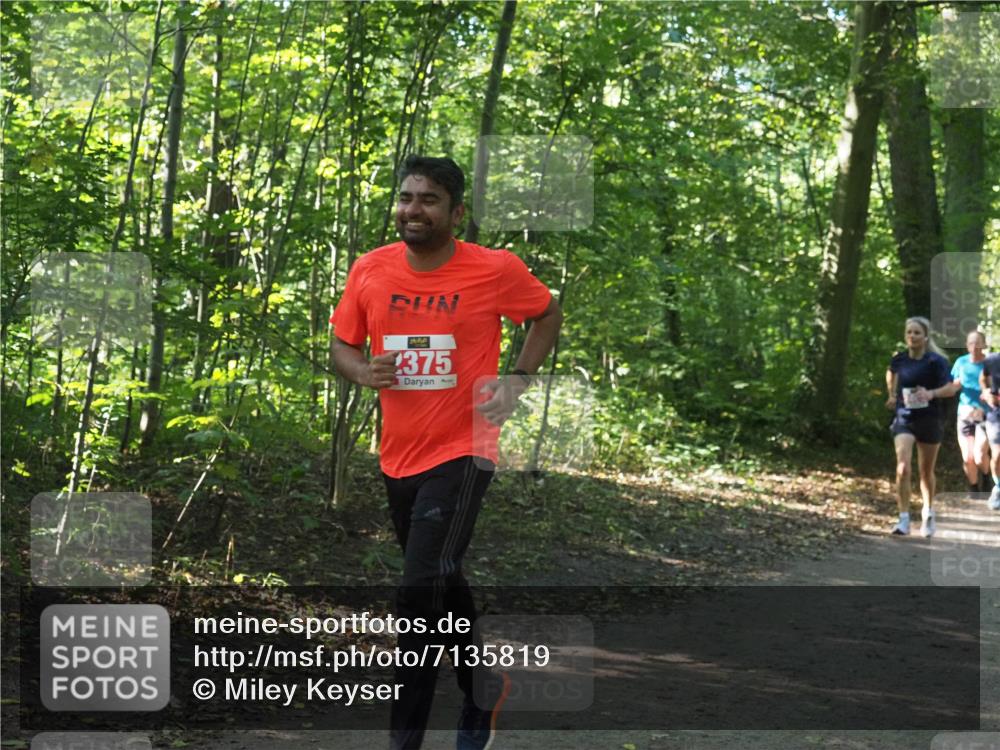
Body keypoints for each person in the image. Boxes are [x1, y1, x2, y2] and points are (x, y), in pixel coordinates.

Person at [330, 155, 562, 750]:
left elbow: (545, 313)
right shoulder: (371, 270)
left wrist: (518, 379)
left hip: (465, 449)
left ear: (456, 212)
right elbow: (342, 344)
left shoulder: (494, 270)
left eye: (429, 200)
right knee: (439, 578)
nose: (413, 210)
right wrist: (362, 371)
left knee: (416, 595)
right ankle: (483, 686)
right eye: (407, 198)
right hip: (398, 455)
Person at [884, 317, 957, 537]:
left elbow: (951, 388)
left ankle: (927, 513)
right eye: (909, 332)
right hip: (904, 418)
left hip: (930, 418)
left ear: (925, 337)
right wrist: (891, 394)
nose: (912, 336)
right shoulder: (899, 359)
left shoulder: (936, 361)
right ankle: (904, 519)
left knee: (925, 472)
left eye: (917, 333)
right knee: (903, 467)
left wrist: (931, 393)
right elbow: (890, 372)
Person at [950, 330, 992, 493]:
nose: (974, 346)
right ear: (967, 346)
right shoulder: (961, 362)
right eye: (970, 343)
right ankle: (974, 489)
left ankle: (987, 476)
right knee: (968, 457)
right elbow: (955, 384)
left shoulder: (990, 364)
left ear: (983, 344)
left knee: (980, 455)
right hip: (965, 415)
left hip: (986, 415)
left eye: (977, 342)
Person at [980, 349, 1000, 510]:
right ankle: (998, 486)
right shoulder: (992, 360)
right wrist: (986, 392)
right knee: (997, 453)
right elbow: (982, 378)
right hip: (996, 414)